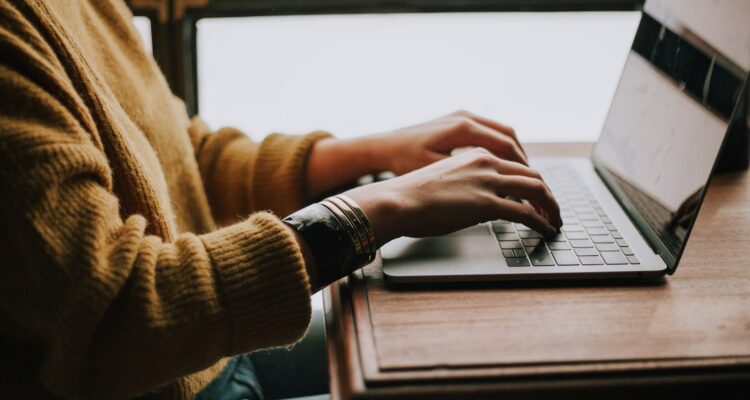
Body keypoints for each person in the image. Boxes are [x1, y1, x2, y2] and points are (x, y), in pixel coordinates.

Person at [0, 0, 561, 399]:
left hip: (207, 355)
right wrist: (378, 209)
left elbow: (180, 158)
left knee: (466, 344)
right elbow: (115, 319)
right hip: (168, 378)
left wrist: (377, 151)